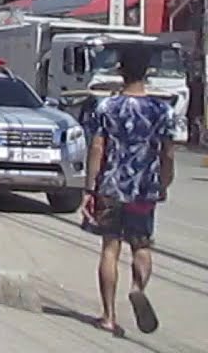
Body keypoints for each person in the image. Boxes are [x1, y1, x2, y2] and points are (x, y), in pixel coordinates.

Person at [81, 44, 175, 336]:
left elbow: (98, 147)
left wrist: (89, 187)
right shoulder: (162, 110)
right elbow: (168, 153)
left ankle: (108, 316)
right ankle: (137, 288)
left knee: (110, 248)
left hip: (111, 187)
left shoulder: (106, 107)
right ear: (147, 73)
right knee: (142, 245)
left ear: (121, 72)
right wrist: (164, 181)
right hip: (144, 188)